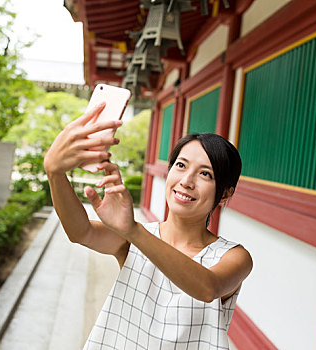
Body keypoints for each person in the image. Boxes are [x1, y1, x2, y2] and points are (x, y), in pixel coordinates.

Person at [44, 102, 253, 350]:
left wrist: (133, 229)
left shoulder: (234, 256)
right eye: (181, 165)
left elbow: (208, 288)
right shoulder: (135, 239)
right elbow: (81, 232)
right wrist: (54, 172)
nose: (186, 181)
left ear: (225, 191)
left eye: (205, 174)